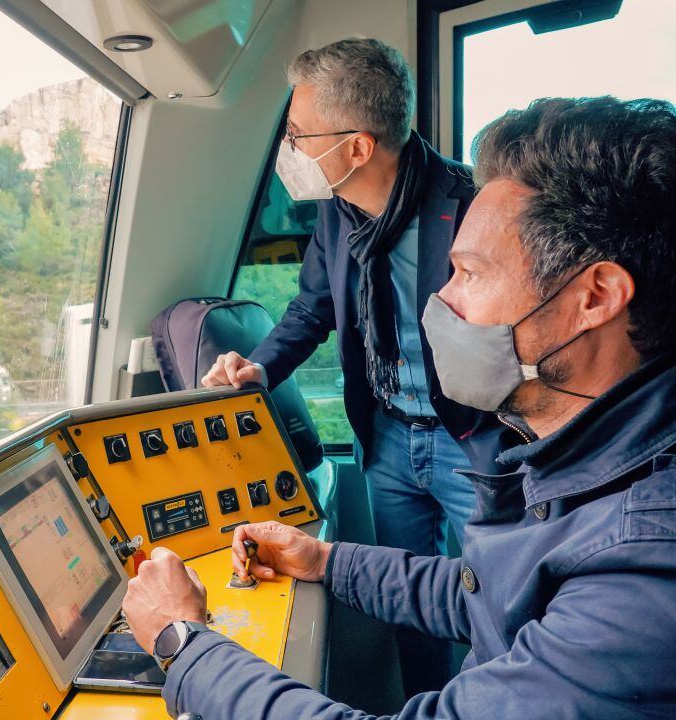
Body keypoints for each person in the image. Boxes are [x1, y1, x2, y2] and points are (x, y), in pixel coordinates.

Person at [125, 96, 676, 719]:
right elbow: (486, 593)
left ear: (595, 296)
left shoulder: (642, 565)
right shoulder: (584, 462)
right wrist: (327, 560)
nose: (440, 300)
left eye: (468, 273)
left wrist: (182, 642)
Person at [202, 38, 505, 694]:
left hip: (471, 437)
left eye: (299, 134)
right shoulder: (339, 214)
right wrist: (255, 368)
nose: (291, 150)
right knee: (407, 607)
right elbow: (312, 309)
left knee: (494, 600)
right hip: (392, 438)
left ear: (358, 147)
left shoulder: (471, 208)